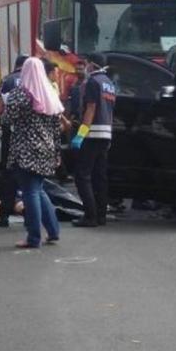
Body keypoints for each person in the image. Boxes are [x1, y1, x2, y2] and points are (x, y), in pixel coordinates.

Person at [1, 57, 63, 248]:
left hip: (25, 149)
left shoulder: (20, 95)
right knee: (38, 190)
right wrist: (57, 153)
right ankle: (53, 231)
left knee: (30, 192)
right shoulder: (50, 93)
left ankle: (33, 237)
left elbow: (6, 119)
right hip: (47, 148)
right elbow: (56, 127)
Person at [71, 53, 116, 227]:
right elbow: (110, 111)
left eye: (87, 63)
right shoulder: (109, 84)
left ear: (91, 64)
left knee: (82, 175)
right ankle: (101, 215)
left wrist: (81, 134)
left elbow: (90, 109)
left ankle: (90, 216)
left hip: (92, 133)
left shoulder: (93, 82)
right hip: (106, 134)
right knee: (100, 176)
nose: (86, 66)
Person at [0, 55, 27, 228]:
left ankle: (4, 215)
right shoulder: (36, 81)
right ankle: (31, 213)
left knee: (8, 172)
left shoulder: (8, 81)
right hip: (32, 134)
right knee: (30, 174)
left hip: (11, 133)